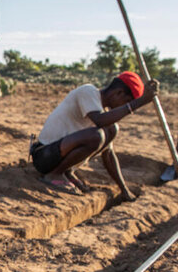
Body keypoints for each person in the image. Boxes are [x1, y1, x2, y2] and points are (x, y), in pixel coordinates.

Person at [30, 71, 159, 198]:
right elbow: (100, 120)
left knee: (112, 129)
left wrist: (123, 189)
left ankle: (66, 171)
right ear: (118, 93)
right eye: (126, 102)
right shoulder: (88, 92)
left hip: (57, 156)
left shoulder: (103, 112)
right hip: (44, 156)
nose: (123, 108)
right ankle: (54, 174)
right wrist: (139, 103)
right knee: (96, 136)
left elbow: (108, 155)